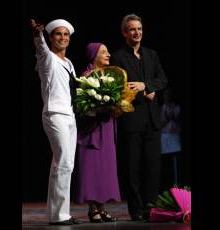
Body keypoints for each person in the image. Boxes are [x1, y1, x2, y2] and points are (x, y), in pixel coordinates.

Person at [110, 14, 168, 221]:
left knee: (152, 166)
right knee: (132, 166)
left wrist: (147, 86)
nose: (137, 33)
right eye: (133, 29)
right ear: (125, 33)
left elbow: (162, 79)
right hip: (131, 118)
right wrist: (144, 92)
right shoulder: (117, 57)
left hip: (152, 119)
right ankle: (136, 209)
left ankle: (150, 207)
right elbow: (119, 87)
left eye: (140, 29)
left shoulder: (151, 54)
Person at [30, 18, 82, 225]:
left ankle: (60, 213)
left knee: (67, 164)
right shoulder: (47, 58)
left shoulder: (69, 63)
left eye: (66, 35)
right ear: (51, 38)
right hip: (55, 113)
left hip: (70, 115)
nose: (63, 38)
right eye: (58, 34)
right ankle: (58, 215)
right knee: (62, 161)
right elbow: (41, 48)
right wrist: (37, 35)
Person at [75, 43, 120, 223]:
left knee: (105, 169)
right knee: (92, 168)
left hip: (107, 127)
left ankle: (101, 207)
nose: (108, 54)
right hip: (91, 130)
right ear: (93, 55)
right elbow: (81, 104)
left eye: (108, 51)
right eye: (103, 52)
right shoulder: (87, 77)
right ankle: (92, 207)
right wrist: (100, 106)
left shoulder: (110, 76)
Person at [159, 88, 181, 191]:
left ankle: (176, 185)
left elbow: (178, 118)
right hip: (165, 135)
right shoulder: (163, 107)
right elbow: (161, 121)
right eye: (165, 95)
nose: (166, 97)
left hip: (174, 134)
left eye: (168, 94)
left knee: (174, 161)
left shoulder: (176, 106)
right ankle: (165, 185)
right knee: (165, 161)